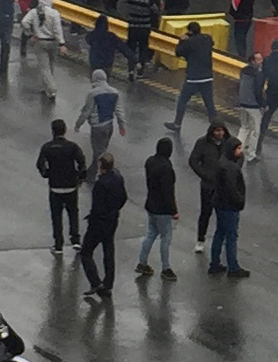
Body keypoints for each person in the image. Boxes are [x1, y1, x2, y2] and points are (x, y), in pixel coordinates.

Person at [80, 153, 127, 300]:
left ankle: (95, 281)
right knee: (108, 250)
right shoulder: (118, 178)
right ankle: (108, 283)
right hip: (112, 220)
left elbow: (97, 207)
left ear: (101, 167)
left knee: (86, 252)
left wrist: (92, 220)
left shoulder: (101, 184)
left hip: (99, 223)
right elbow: (123, 197)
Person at [37, 118, 86, 253]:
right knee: (73, 213)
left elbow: (40, 164)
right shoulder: (72, 147)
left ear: (52, 131)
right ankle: (75, 240)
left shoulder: (47, 147)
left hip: (55, 187)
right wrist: (80, 177)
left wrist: (46, 174)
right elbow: (82, 162)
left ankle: (58, 244)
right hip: (71, 186)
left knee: (56, 216)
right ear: (64, 131)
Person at [135, 137, 179, 281]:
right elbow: (168, 192)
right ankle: (166, 268)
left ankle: (142, 261)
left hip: (151, 204)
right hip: (163, 209)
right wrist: (174, 211)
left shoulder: (150, 161)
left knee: (151, 234)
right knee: (166, 238)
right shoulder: (166, 168)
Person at [75, 68, 126, 183]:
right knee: (101, 151)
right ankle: (91, 173)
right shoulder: (114, 92)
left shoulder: (92, 93)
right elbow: (119, 110)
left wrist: (78, 124)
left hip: (97, 127)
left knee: (99, 153)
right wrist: (121, 125)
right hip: (109, 126)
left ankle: (104, 175)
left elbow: (86, 111)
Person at [209, 137, 249, 278]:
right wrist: (240, 201)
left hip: (220, 204)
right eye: (238, 148)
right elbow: (233, 188)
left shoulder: (223, 163)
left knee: (220, 233)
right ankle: (233, 267)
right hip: (229, 206)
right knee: (231, 236)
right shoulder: (230, 168)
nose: (241, 151)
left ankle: (214, 263)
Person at [166, 22, 216, 130]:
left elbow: (178, 52)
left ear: (190, 31)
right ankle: (216, 126)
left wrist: (182, 41)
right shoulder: (207, 38)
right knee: (209, 103)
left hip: (193, 77)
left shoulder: (188, 42)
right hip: (207, 76)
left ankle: (177, 124)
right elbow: (211, 42)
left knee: (182, 100)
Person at [189, 122, 228, 253]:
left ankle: (222, 240)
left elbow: (239, 156)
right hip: (208, 185)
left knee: (223, 214)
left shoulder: (228, 142)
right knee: (205, 213)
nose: (220, 134)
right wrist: (204, 174)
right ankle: (200, 239)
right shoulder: (202, 143)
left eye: (222, 131)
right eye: (217, 131)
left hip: (223, 185)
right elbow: (193, 161)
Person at [20, 0, 66, 100]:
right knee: (50, 65)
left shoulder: (33, 12)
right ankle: (50, 89)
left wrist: (30, 34)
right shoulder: (54, 13)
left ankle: (50, 88)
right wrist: (61, 44)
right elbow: (57, 30)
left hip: (39, 42)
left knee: (44, 67)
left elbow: (24, 22)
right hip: (53, 42)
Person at [125, 0, 158, 79]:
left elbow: (127, 8)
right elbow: (155, 11)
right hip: (144, 28)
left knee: (131, 49)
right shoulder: (149, 1)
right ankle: (140, 71)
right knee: (143, 49)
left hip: (132, 26)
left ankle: (131, 70)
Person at [237, 53, 264, 163]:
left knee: (244, 128)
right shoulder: (258, 74)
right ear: (253, 61)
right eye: (259, 59)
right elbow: (258, 91)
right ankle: (251, 155)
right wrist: (263, 104)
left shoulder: (243, 71)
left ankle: (236, 149)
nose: (261, 61)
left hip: (243, 103)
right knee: (255, 131)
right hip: (253, 105)